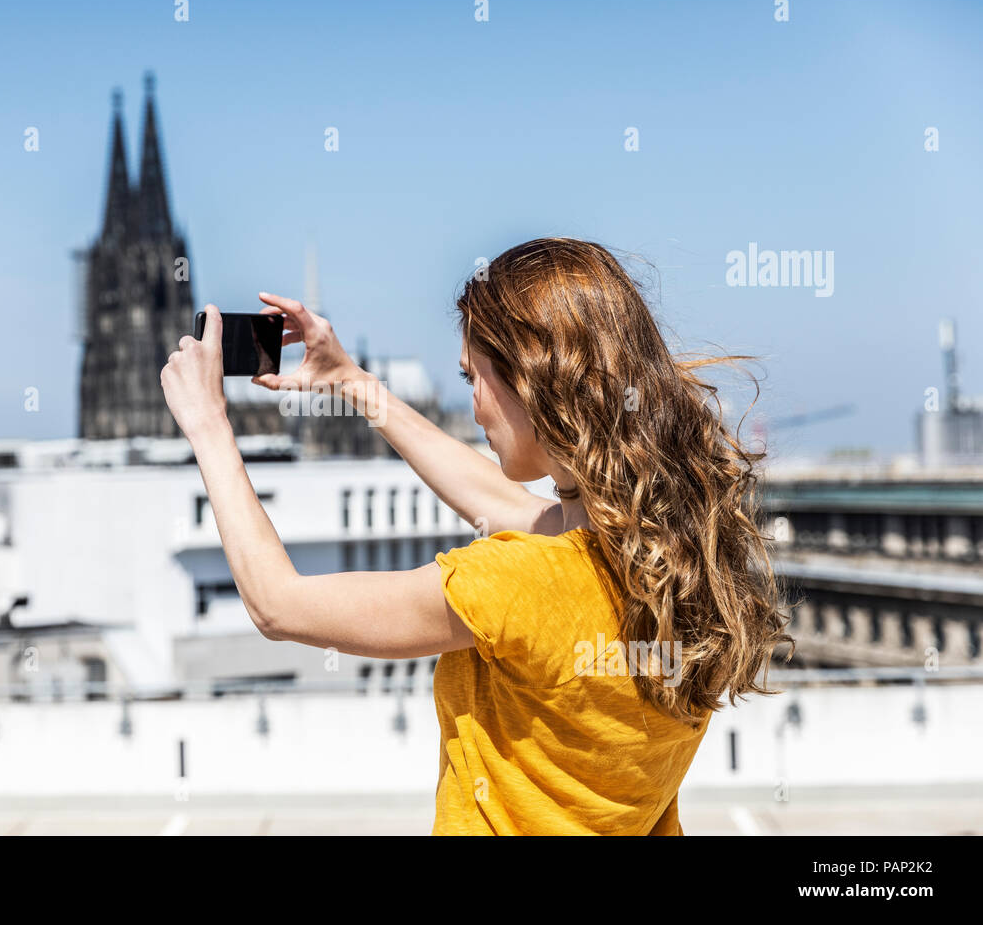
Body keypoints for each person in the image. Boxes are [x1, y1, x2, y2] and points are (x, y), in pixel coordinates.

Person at [160, 237, 793, 835]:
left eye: (473, 378)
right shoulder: (679, 555)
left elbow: (278, 604)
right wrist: (354, 384)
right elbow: (506, 507)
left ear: (535, 379)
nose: (473, 408)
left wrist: (209, 425)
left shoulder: (518, 584)